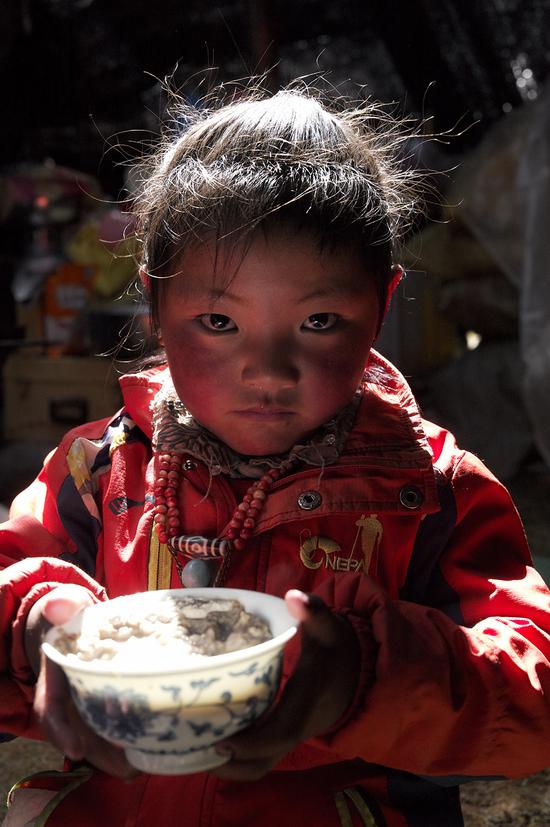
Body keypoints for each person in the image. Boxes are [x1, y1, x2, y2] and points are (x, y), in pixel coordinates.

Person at [1, 84, 550, 827]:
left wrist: (363, 677)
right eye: (218, 320)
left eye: (319, 319)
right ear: (155, 305)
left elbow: (533, 693)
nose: (268, 369)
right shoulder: (96, 474)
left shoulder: (428, 494)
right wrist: (35, 625)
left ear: (382, 305)